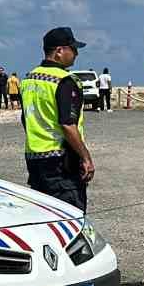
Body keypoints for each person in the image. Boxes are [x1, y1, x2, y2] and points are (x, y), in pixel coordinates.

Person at [21, 27, 95, 210]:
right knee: (70, 217)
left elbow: (26, 118)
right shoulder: (65, 81)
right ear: (59, 51)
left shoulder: (29, 79)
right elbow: (68, 124)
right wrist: (86, 157)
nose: (76, 54)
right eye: (73, 49)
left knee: (45, 217)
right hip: (61, 162)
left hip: (35, 158)